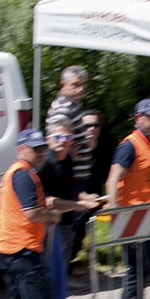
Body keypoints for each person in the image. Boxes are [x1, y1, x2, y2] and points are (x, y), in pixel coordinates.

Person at [0, 129, 98, 299]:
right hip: (22, 248)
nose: (41, 153)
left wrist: (77, 204)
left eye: (43, 148)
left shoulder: (27, 173)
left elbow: (47, 201)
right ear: (21, 149)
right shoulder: (22, 174)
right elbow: (33, 212)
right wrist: (51, 216)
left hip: (10, 248)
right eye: (35, 149)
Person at [105, 98, 150, 299]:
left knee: (144, 268)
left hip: (147, 216)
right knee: (135, 269)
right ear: (138, 118)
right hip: (131, 216)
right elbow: (112, 180)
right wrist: (115, 213)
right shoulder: (129, 145)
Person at [38, 118, 99, 299]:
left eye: (67, 137)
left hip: (65, 225)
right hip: (49, 227)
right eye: (58, 137)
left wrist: (88, 198)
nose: (63, 141)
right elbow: (46, 200)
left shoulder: (67, 161)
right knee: (47, 275)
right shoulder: (45, 163)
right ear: (48, 139)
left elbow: (72, 191)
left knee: (60, 275)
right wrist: (76, 204)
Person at [69, 109, 114, 265]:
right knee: (77, 218)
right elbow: (67, 180)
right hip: (74, 197)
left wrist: (111, 199)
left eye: (95, 125)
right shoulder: (74, 150)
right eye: (86, 126)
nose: (91, 129)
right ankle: (69, 259)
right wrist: (82, 196)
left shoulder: (106, 148)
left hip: (98, 198)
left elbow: (112, 177)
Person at [45, 65, 92, 204]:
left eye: (83, 85)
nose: (81, 89)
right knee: (72, 215)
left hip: (76, 171)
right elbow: (56, 136)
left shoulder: (73, 104)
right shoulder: (62, 108)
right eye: (75, 85)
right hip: (71, 173)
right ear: (62, 85)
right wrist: (68, 153)